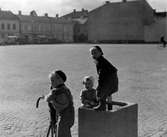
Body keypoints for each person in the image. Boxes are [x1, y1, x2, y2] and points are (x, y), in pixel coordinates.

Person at [44, 70, 75, 137]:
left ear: (59, 79)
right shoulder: (65, 89)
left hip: (64, 116)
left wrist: (48, 99)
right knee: (65, 133)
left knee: (62, 134)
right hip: (70, 115)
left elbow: (48, 99)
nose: (51, 83)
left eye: (52, 81)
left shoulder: (57, 91)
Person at [89, 46, 118, 111]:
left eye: (95, 52)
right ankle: (109, 107)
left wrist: (100, 85)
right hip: (112, 76)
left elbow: (101, 74)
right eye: (92, 53)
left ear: (100, 52)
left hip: (109, 77)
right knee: (108, 92)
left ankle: (102, 106)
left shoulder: (100, 61)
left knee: (101, 91)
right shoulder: (99, 60)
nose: (93, 54)